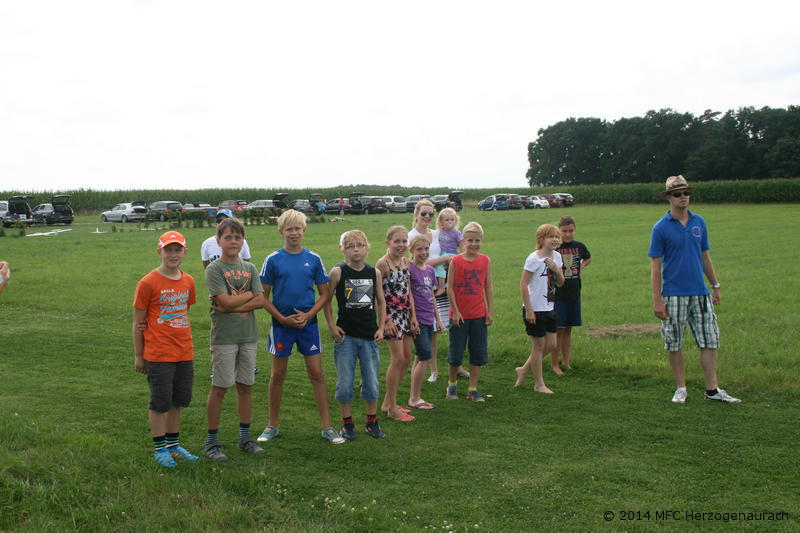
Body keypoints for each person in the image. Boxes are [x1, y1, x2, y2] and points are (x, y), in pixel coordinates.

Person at [649, 175, 741, 404]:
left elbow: (704, 256)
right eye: (677, 194)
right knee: (674, 342)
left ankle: (712, 390)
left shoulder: (699, 222)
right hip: (673, 294)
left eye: (686, 193)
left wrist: (715, 286)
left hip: (700, 293)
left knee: (709, 340)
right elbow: (655, 267)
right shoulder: (660, 228)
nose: (683, 197)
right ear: (669, 198)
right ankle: (681, 388)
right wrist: (657, 301)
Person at [257, 209, 346, 444]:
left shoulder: (314, 259)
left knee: (317, 374)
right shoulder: (273, 260)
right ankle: (272, 425)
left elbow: (325, 294)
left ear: (304, 230)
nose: (294, 233)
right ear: (281, 232)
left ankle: (327, 427)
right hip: (281, 326)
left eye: (298, 228)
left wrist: (308, 315)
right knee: (278, 375)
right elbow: (262, 296)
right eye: (289, 229)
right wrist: (282, 318)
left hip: (308, 326)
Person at [132, 231, 198, 468]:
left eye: (177, 249)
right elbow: (138, 322)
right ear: (159, 251)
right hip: (159, 354)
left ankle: (173, 445)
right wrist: (139, 355)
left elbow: (184, 311)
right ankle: (160, 448)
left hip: (184, 351)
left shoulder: (188, 281)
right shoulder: (148, 283)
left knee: (178, 401)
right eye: (168, 249)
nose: (173, 254)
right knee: (160, 402)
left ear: (185, 252)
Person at [202, 218, 266, 461]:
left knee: (246, 386)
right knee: (220, 387)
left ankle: (245, 438)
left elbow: (261, 300)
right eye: (228, 237)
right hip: (224, 338)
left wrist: (234, 303)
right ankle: (212, 442)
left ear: (243, 241)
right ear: (218, 241)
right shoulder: (214, 269)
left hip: (248, 335)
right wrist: (247, 295)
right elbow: (225, 302)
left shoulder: (250, 268)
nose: (233, 241)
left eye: (237, 237)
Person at [323, 230, 387, 440]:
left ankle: (371, 421)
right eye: (350, 246)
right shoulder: (337, 272)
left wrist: (381, 328)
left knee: (371, 382)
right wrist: (332, 326)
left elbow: (381, 301)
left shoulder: (374, 273)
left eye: (360, 245)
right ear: (343, 249)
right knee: (345, 382)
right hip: (346, 338)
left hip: (369, 336)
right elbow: (326, 301)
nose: (355, 250)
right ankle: (347, 423)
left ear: (367, 248)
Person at [407, 200, 468, 383]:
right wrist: (444, 259)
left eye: (430, 214)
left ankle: (456, 365)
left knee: (451, 323)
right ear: (416, 214)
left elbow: (453, 246)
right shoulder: (411, 236)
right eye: (423, 213)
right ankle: (432, 369)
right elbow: (416, 262)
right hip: (425, 288)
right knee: (431, 330)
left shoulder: (437, 233)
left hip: (444, 282)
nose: (427, 217)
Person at [446, 221, 494, 402]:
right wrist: (455, 311)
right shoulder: (456, 261)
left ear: (481, 240)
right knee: (456, 352)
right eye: (470, 240)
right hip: (459, 317)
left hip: (479, 315)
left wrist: (490, 311)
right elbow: (450, 288)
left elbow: (488, 286)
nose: (474, 244)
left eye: (477, 240)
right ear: (463, 241)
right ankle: (452, 384)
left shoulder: (485, 260)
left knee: (477, 352)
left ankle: (472, 389)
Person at [515, 224, 565, 394]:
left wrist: (556, 269)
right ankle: (539, 384)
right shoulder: (533, 259)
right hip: (534, 309)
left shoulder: (557, 257)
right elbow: (523, 285)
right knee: (538, 347)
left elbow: (561, 282)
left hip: (549, 307)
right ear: (541, 239)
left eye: (557, 236)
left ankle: (524, 369)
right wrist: (529, 310)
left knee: (551, 345)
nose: (555, 239)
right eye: (551, 236)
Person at [376, 225, 419, 421]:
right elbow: (376, 297)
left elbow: (408, 291)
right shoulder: (382, 265)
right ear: (388, 242)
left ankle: (388, 402)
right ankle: (392, 408)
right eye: (397, 241)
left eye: (404, 241)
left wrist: (413, 316)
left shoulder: (406, 262)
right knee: (398, 359)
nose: (401, 245)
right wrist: (385, 321)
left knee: (407, 358)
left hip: (405, 315)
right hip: (391, 316)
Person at [551, 216, 591, 374]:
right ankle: (555, 364)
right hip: (558, 294)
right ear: (559, 231)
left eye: (571, 231)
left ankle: (566, 362)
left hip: (574, 293)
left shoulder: (579, 246)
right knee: (558, 330)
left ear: (575, 230)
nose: (567, 234)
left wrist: (582, 266)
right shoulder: (555, 248)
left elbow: (588, 258)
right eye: (564, 231)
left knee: (568, 330)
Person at [408, 234, 443, 410]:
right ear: (411, 250)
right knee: (425, 358)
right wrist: (413, 318)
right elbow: (408, 295)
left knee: (420, 357)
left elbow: (431, 296)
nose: (423, 252)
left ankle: (413, 394)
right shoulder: (409, 269)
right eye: (419, 249)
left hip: (429, 319)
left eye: (426, 249)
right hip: (418, 320)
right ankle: (414, 398)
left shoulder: (429, 270)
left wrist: (438, 319)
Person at [434, 207, 462, 297]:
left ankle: (453, 284)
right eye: (447, 220)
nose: (450, 222)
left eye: (452, 219)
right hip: (442, 255)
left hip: (452, 254)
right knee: (439, 267)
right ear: (441, 222)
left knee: (453, 268)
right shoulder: (439, 232)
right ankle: (442, 287)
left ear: (455, 221)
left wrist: (463, 256)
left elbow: (462, 245)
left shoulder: (457, 233)